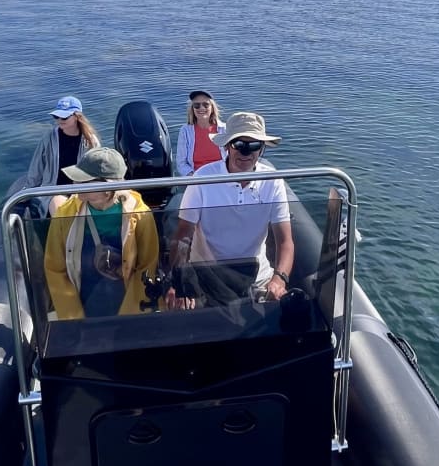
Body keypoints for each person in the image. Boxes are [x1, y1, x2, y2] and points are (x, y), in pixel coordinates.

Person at [169, 112, 293, 308]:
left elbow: (285, 240)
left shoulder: (273, 181)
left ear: (261, 150)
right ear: (227, 146)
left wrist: (279, 280)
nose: (246, 153)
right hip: (206, 276)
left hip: (257, 279)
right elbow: (184, 234)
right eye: (239, 145)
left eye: (253, 146)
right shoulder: (202, 179)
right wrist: (178, 283)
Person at [44, 148, 161, 319]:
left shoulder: (141, 215)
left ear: (108, 188)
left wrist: (129, 317)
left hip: (125, 299)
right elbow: (54, 268)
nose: (74, 184)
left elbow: (147, 267)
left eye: (82, 181)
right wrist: (74, 318)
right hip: (83, 297)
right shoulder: (65, 214)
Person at [25, 96, 101, 216]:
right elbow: (37, 167)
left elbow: (97, 172)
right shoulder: (48, 138)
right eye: (56, 116)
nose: (60, 119)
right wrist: (27, 192)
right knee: (60, 209)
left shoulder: (91, 141)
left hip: (81, 191)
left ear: (77, 116)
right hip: (52, 190)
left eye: (64, 116)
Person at [176, 89, 226, 176]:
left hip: (222, 178)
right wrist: (194, 178)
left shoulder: (224, 129)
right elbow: (181, 163)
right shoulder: (185, 131)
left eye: (206, 105)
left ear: (212, 108)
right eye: (197, 105)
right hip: (196, 179)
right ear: (193, 108)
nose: (201, 108)